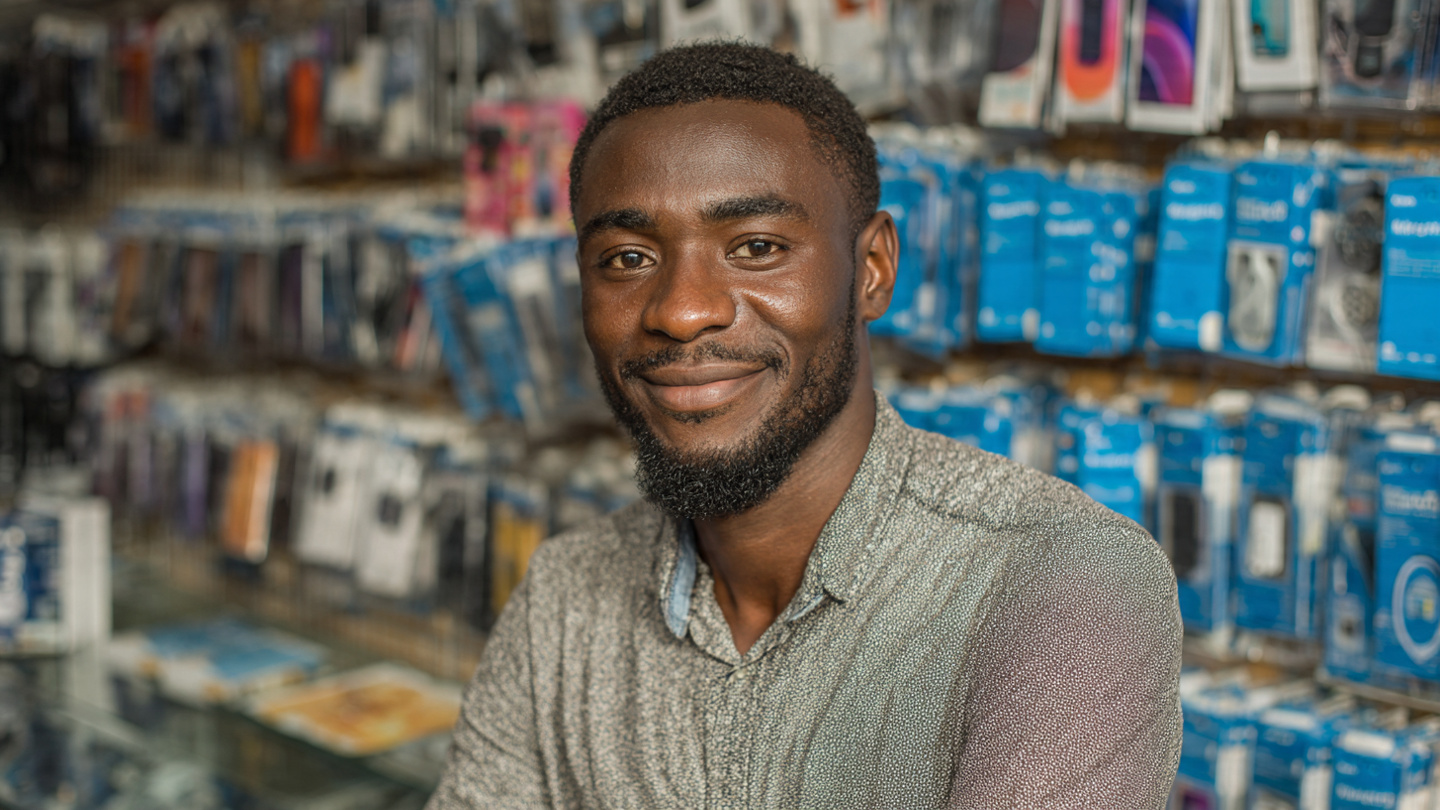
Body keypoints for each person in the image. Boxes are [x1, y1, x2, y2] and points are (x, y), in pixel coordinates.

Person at [426, 42, 1182, 810]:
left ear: (874, 271)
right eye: (626, 258)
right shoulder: (564, 597)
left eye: (756, 248)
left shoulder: (1063, 583)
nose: (683, 310)